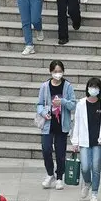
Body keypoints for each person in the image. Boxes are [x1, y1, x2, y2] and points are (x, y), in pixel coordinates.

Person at [36, 60, 76, 190]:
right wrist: (43, 112)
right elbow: (39, 104)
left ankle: (59, 177)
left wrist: (62, 102)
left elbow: (73, 104)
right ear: (51, 72)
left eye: (60, 71)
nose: (57, 74)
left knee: (60, 153)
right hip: (48, 123)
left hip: (61, 124)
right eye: (55, 71)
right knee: (46, 149)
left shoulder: (68, 86)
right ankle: (49, 174)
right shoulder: (45, 86)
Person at [70, 77, 101, 201]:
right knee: (85, 167)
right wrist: (75, 142)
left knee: (96, 168)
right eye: (91, 86)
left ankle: (94, 194)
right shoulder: (81, 104)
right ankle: (87, 182)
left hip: (98, 141)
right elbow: (77, 123)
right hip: (84, 141)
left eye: (96, 87)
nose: (93, 89)